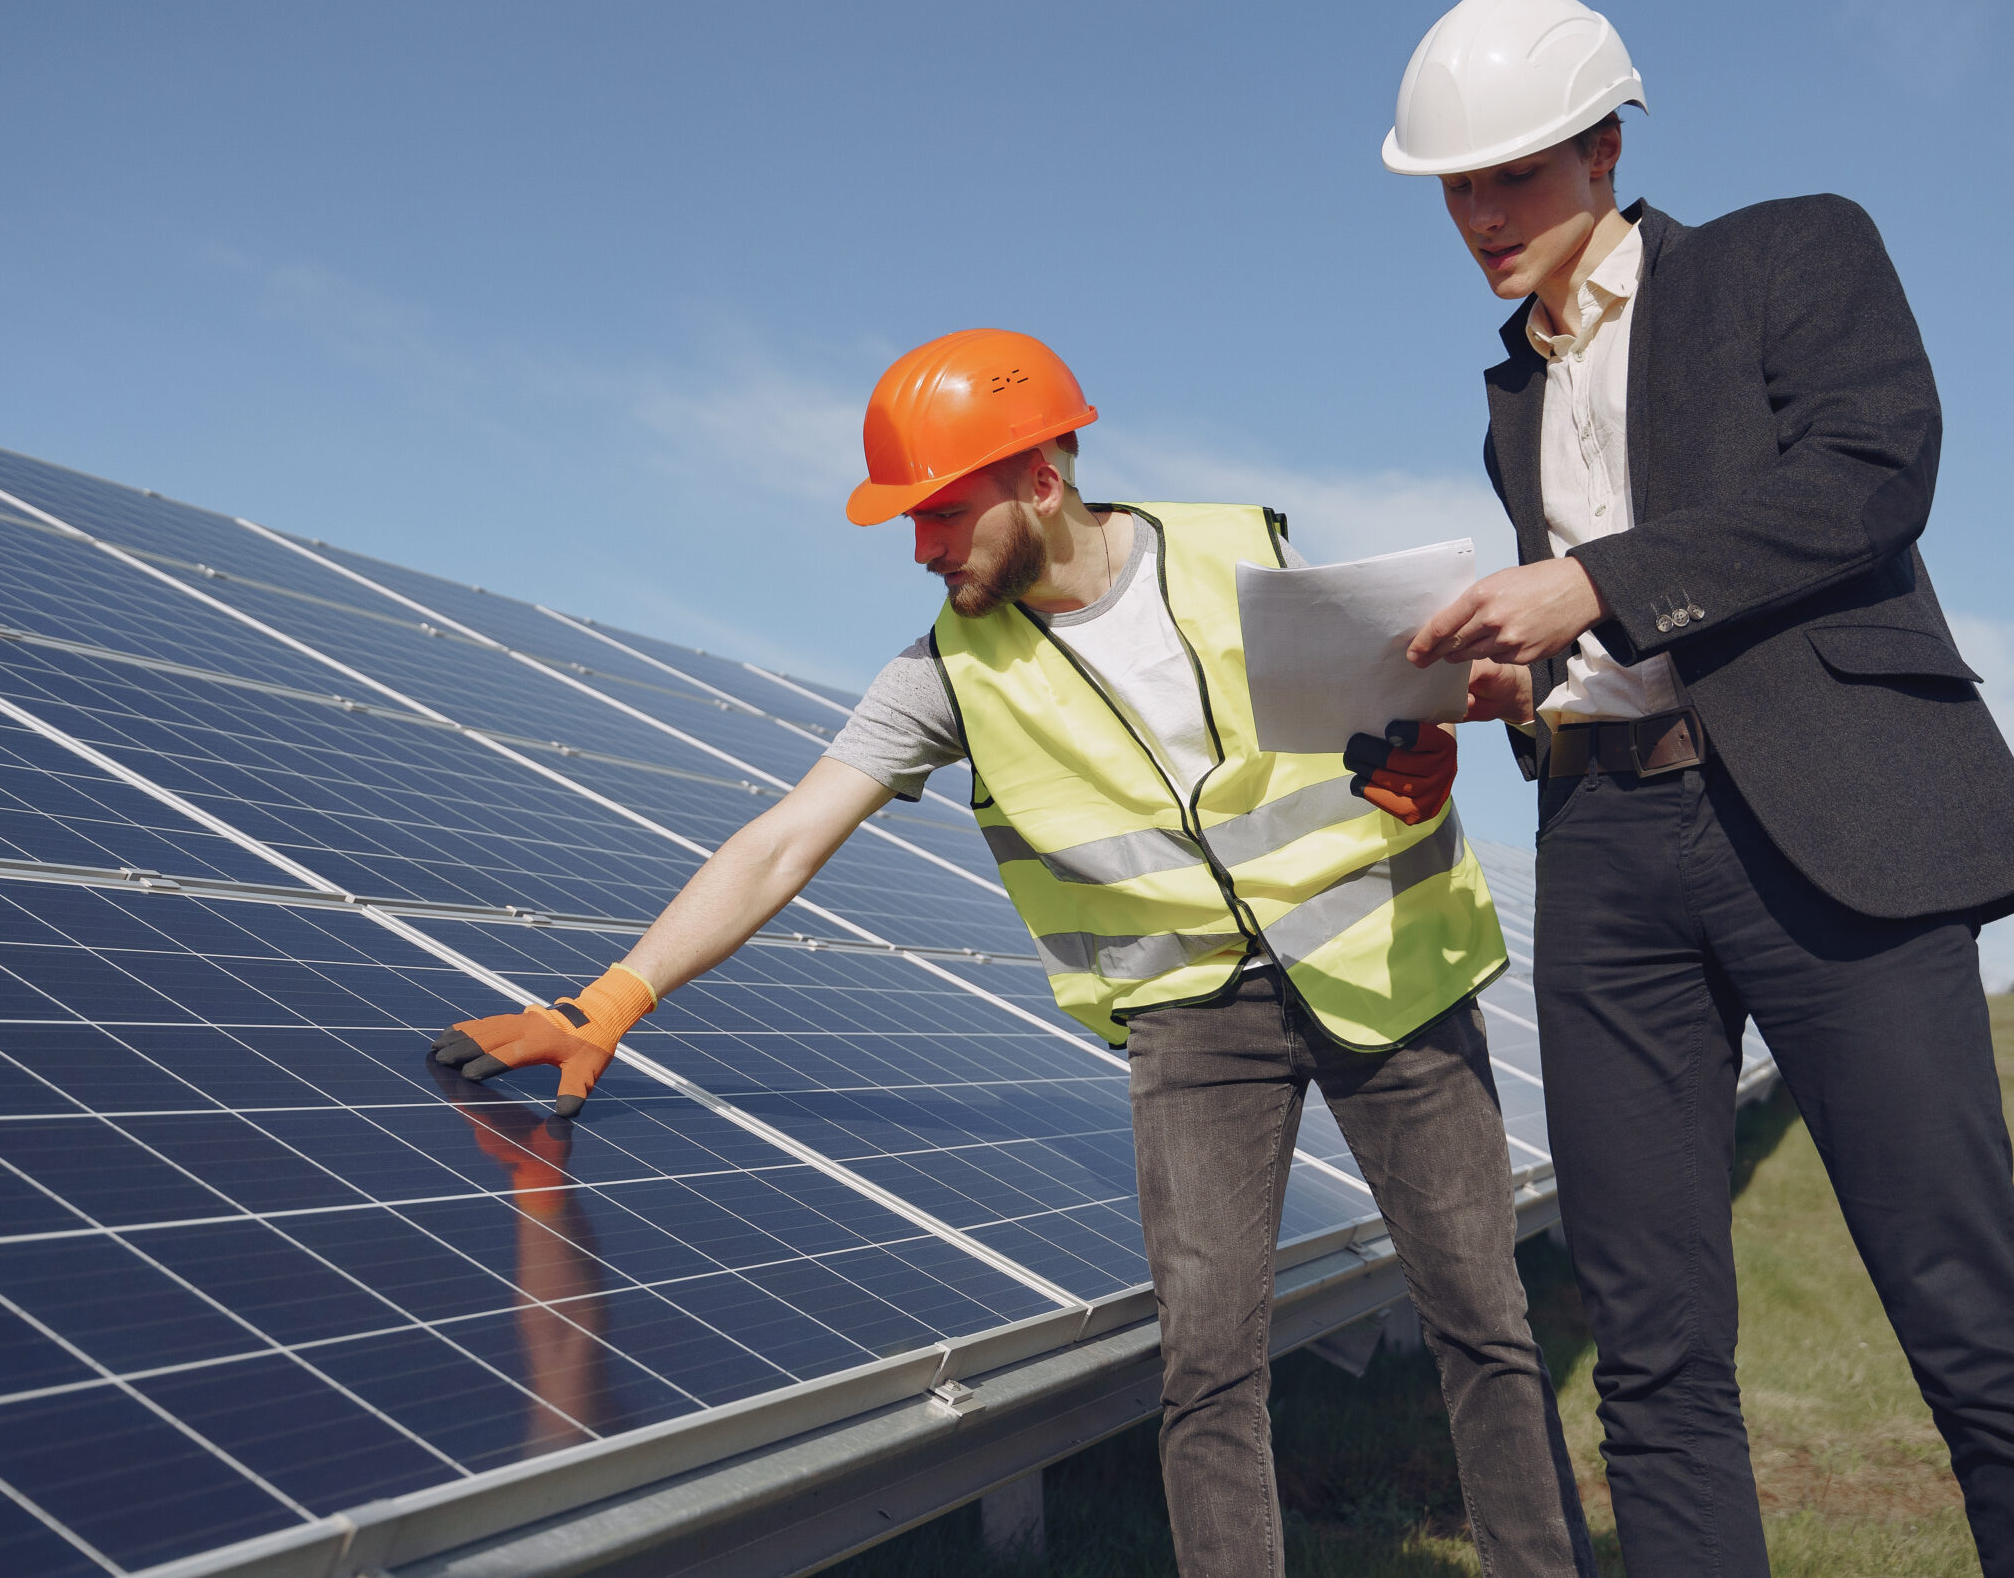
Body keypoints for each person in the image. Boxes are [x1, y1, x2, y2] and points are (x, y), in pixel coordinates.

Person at [432, 328, 1599, 1578]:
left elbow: (1404, 700)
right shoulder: (944, 671)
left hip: (1387, 978)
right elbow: (784, 840)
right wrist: (610, 999)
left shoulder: (1241, 554)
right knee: (1206, 1371)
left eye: (940, 514)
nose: (921, 549)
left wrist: (1425, 747)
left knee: (1483, 1325)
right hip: (1193, 1024)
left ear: (1041, 479)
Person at [1386, 0, 2014, 1577]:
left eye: (1509, 175)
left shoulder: (1789, 252)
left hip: (1831, 828)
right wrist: (1524, 681)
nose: (1478, 215)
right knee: (1652, 1348)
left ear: (1600, 148)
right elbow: (1618, 628)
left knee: (1967, 1309)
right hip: (1607, 850)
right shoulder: (1511, 394)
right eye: (1454, 186)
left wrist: (1590, 581)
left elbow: (1873, 473)